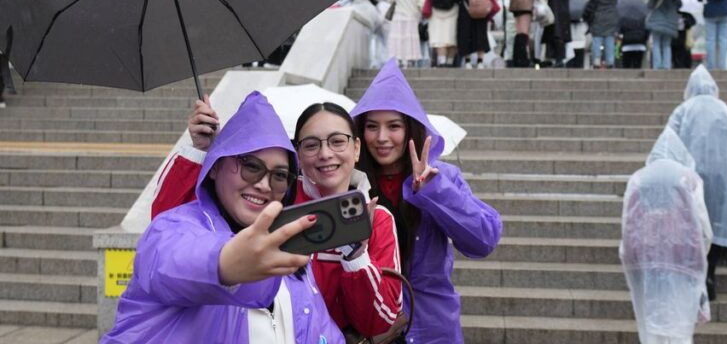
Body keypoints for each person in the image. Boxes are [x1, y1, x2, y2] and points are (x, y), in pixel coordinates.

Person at [152, 97, 406, 340]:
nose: (326, 154)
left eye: (338, 141)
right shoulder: (274, 203)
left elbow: (378, 321)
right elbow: (173, 231)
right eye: (311, 144)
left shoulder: (377, 219)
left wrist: (355, 256)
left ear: (357, 148)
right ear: (297, 154)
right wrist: (202, 152)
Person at [104, 92, 344, 343]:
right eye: (251, 166)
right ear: (215, 167)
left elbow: (321, 330)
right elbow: (173, 259)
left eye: (280, 175)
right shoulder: (171, 228)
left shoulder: (291, 258)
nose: (264, 184)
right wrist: (226, 262)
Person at [350, 58, 502, 344]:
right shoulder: (349, 183)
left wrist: (435, 192)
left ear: (411, 129)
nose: (382, 138)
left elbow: (483, 240)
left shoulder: (442, 176)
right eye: (372, 126)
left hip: (432, 328)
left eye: (394, 126)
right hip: (368, 329)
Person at [666, 65, 727, 301]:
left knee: (694, 225)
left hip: (691, 178)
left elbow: (668, 145)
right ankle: (710, 274)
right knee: (716, 226)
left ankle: (694, 277)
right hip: (725, 179)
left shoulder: (682, 110)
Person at [621, 128, 712, 344]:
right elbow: (703, 226)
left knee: (650, 323)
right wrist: (701, 253)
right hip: (682, 260)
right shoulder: (688, 178)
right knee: (679, 323)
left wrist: (629, 256)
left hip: (646, 261)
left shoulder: (638, 178)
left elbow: (628, 221)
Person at [455, 0, 493, 69]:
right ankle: (480, 62)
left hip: (466, 13)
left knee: (465, 35)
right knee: (481, 35)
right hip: (481, 13)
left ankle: (468, 62)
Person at [584, 0, 623, 70]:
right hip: (611, 16)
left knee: (597, 38)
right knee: (609, 39)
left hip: (598, 15)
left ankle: (596, 60)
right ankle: (610, 61)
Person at [387, 0, 424, 68]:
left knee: (399, 39)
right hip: (411, 17)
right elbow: (421, 3)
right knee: (409, 39)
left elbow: (390, 0)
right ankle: (409, 60)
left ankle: (399, 59)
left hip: (398, 17)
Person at [427, 0, 459, 67]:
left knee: (439, 39)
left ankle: (442, 62)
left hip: (436, 13)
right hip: (453, 13)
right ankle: (450, 62)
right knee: (452, 40)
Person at [697, 0, 727, 71]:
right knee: (723, 40)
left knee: (710, 40)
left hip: (710, 12)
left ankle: (710, 66)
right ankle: (722, 66)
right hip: (725, 11)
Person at [644, 0, 682, 70]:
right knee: (667, 45)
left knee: (656, 43)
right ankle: (667, 65)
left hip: (657, 21)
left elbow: (650, 5)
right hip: (670, 21)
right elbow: (679, 5)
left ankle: (657, 66)